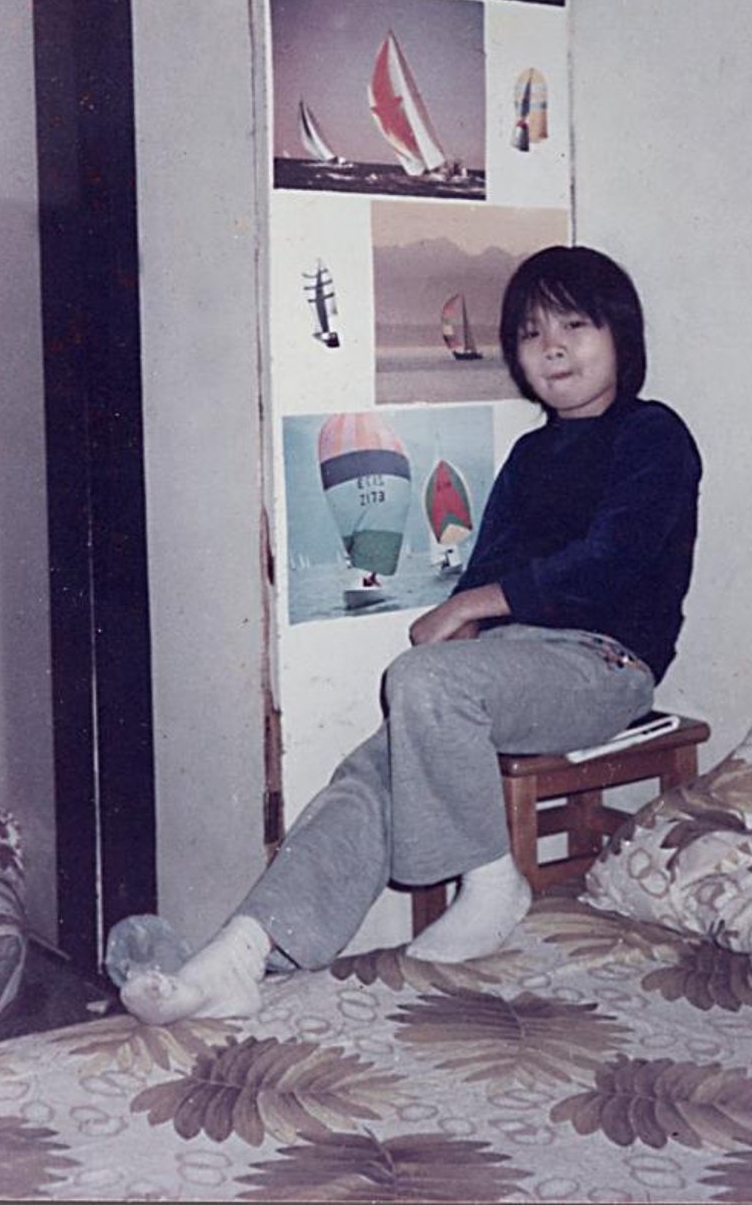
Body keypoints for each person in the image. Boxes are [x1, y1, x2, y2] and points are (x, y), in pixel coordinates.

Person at [119, 244, 702, 1025]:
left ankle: (491, 883)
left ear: (621, 336)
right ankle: (246, 950)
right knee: (372, 771)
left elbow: (611, 563)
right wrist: (465, 621)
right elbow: (487, 569)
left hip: (605, 664)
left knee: (421, 683)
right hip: (508, 663)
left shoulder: (653, 434)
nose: (553, 347)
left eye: (575, 324)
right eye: (532, 334)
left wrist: (466, 616)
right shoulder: (530, 456)